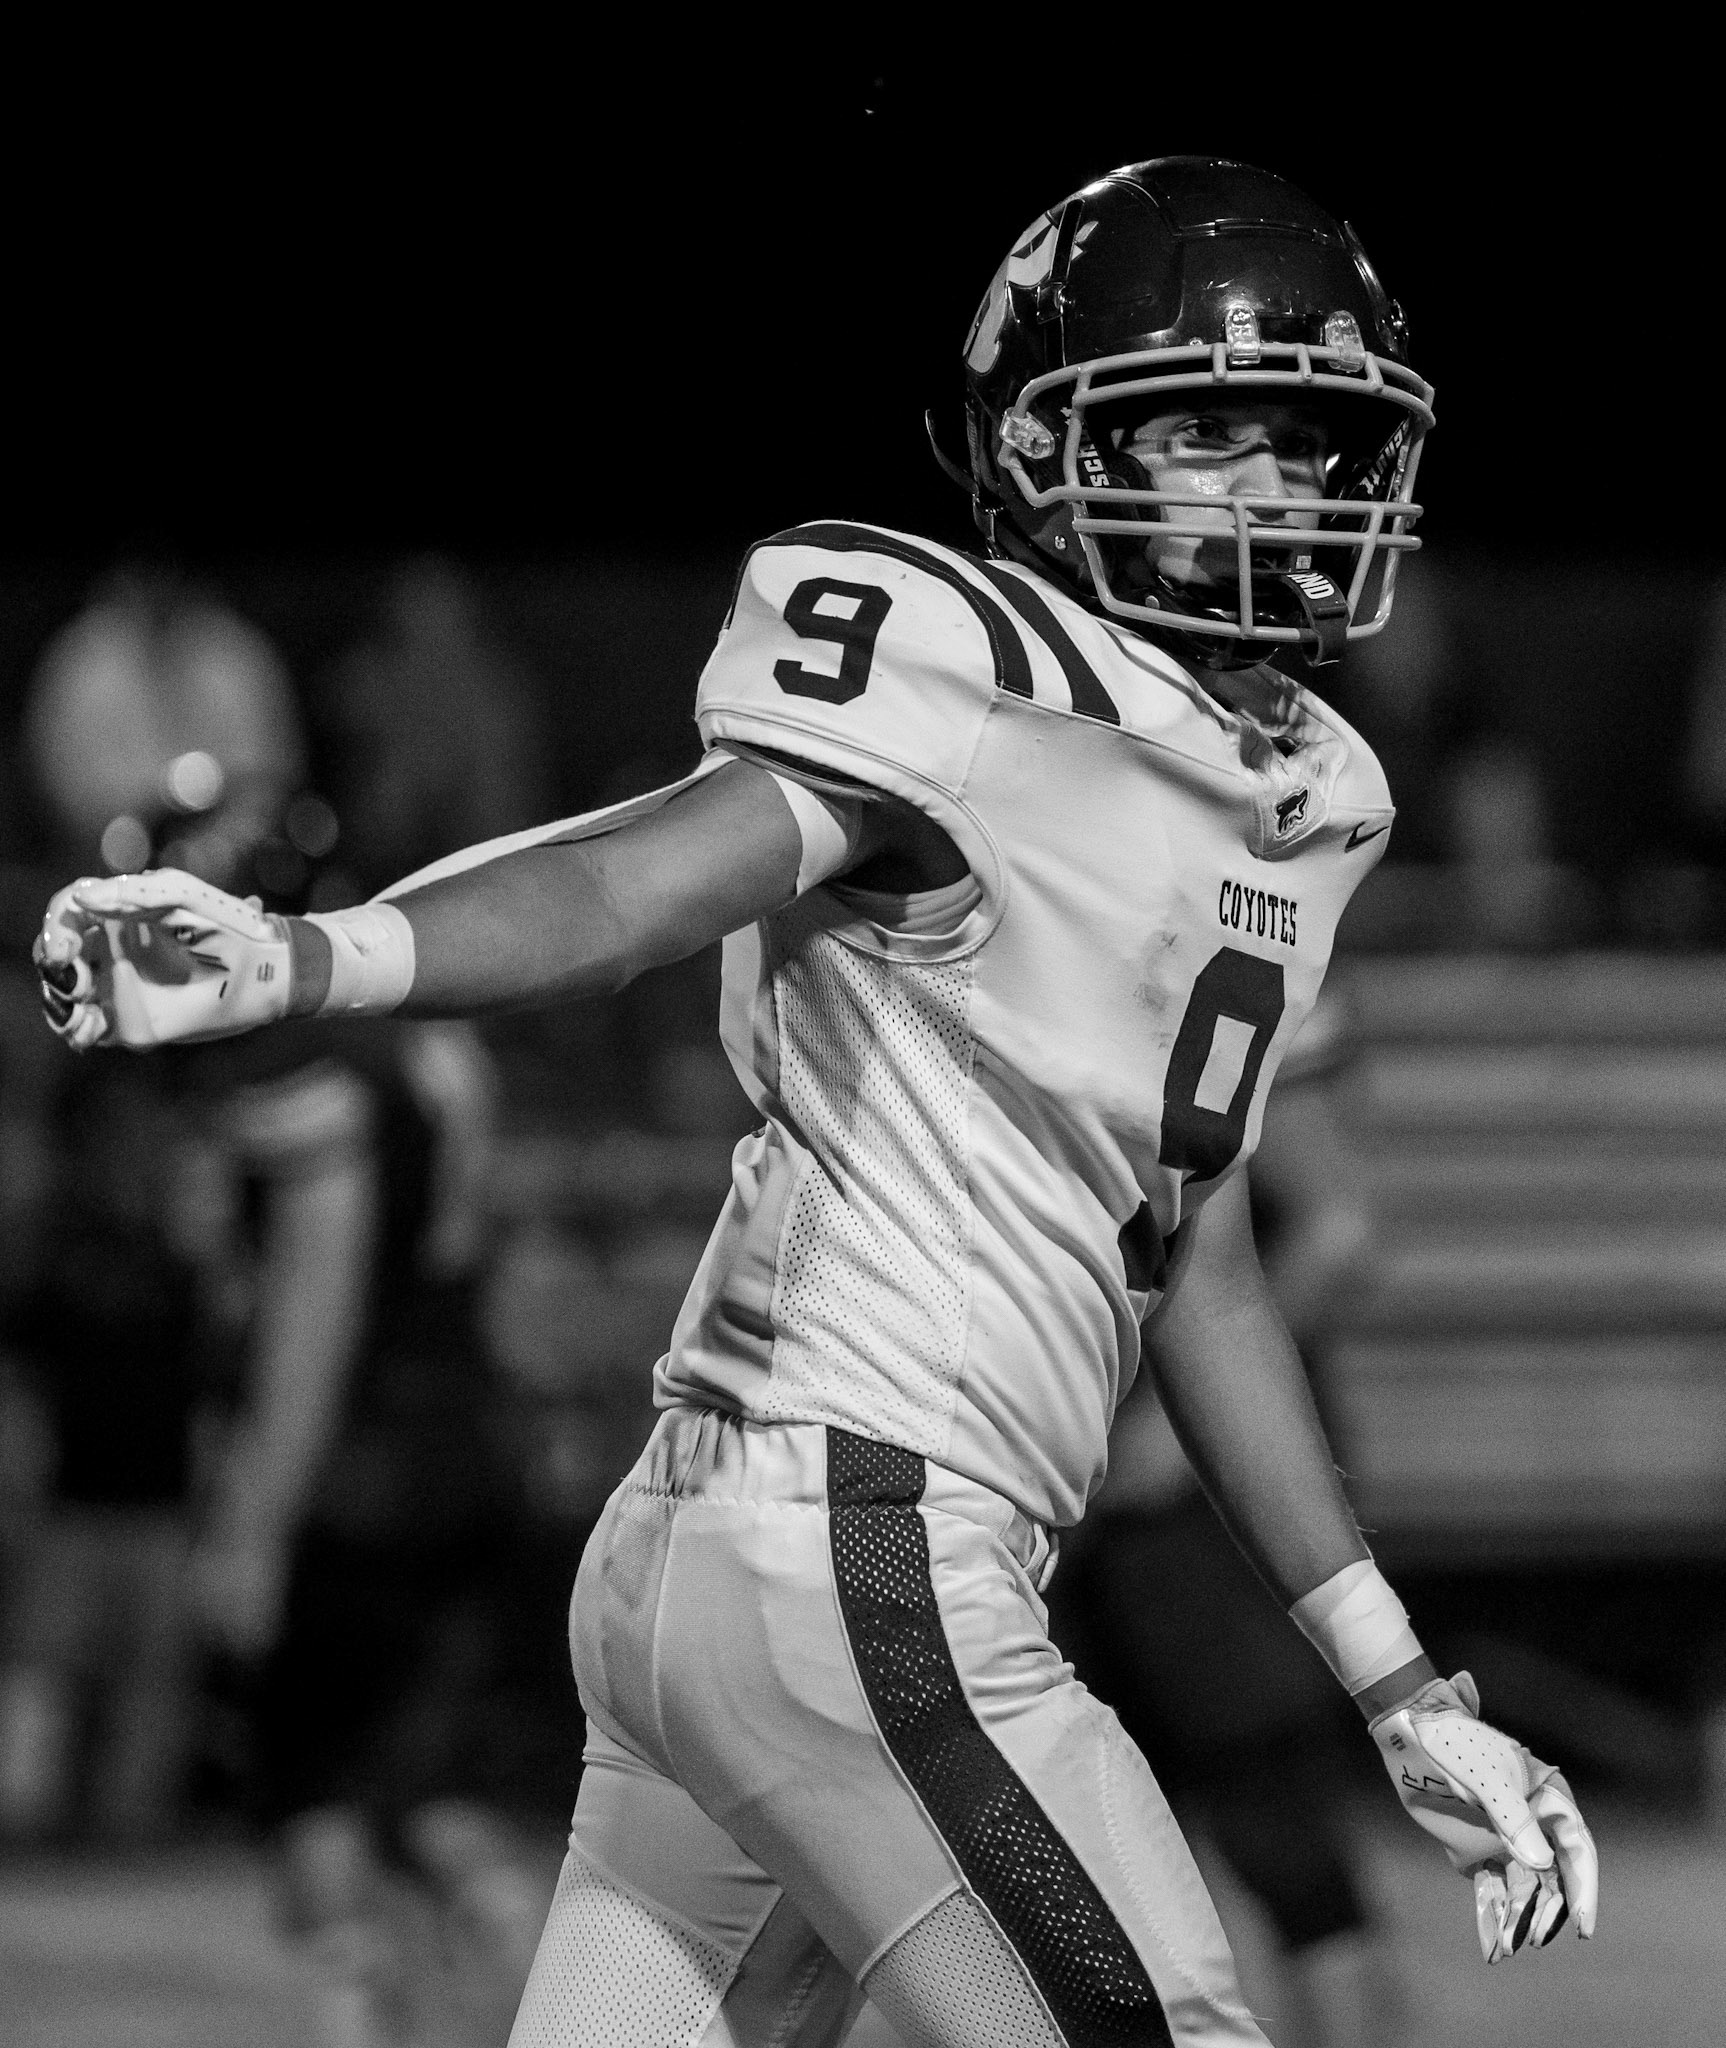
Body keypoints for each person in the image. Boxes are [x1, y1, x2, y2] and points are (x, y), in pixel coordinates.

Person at [34, 158, 1596, 2048]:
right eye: (1205, 433)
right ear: (1042, 444)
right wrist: (314, 958)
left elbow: (1199, 1257)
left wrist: (1399, 1680)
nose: (1273, 487)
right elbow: (633, 883)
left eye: (1301, 438)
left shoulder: (1309, 793)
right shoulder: (969, 668)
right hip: (858, 1540)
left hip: (755, 1570)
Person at [1049, 991, 1406, 2047]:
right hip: (1066, 1453)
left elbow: (1334, 1230)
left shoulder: (1241, 941)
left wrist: (1175, 1433)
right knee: (1085, 1850)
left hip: (1192, 1478)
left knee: (1279, 1834)